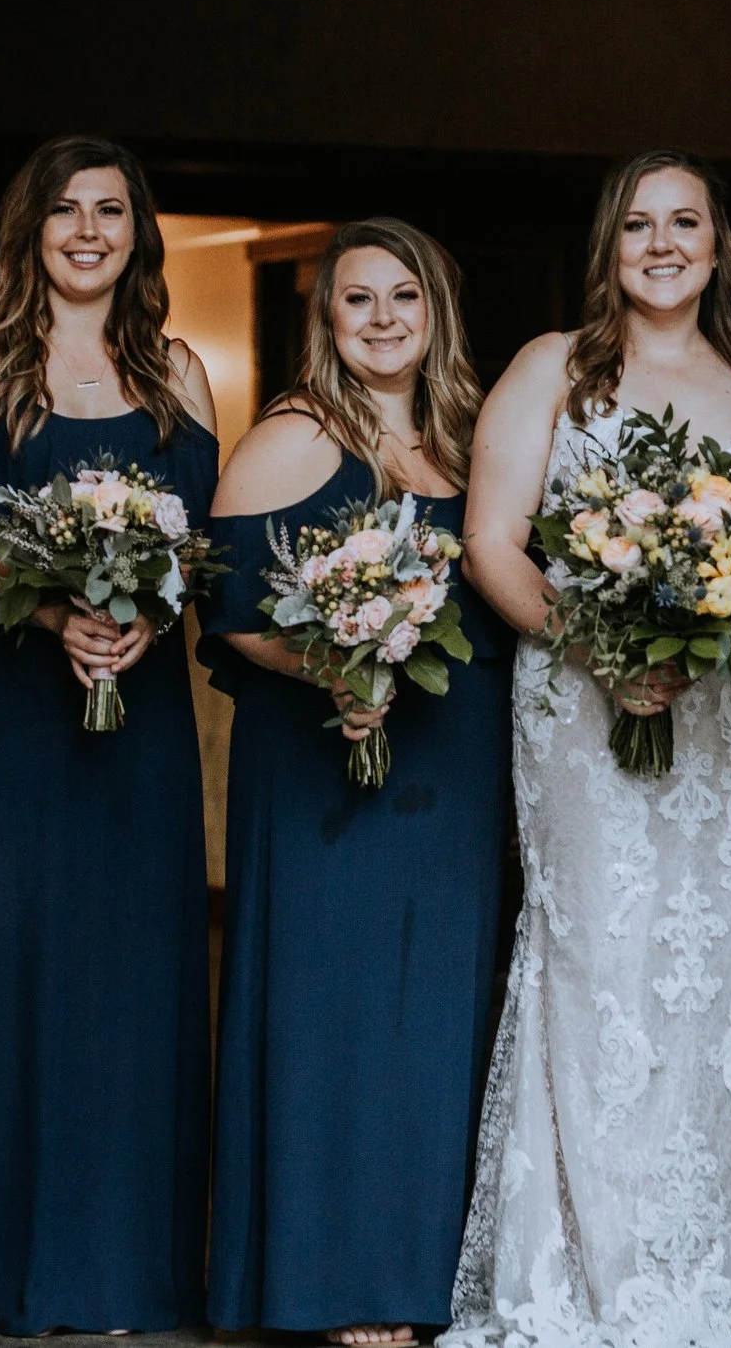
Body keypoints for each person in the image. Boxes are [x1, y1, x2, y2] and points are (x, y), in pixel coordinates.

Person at [443, 149, 731, 1348]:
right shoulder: (551, 370)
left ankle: (714, 1252)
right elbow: (493, 541)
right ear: (609, 245)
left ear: (718, 242)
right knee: (599, 962)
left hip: (729, 725)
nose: (664, 242)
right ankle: (585, 1262)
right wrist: (598, 644)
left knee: (712, 979)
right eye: (639, 224)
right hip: (584, 712)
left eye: (686, 221)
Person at [0, 137, 218, 1334]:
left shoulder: (180, 372)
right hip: (11, 723)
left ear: (139, 231)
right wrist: (54, 606)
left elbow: (199, 549)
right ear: (28, 228)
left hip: (135, 727)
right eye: (63, 210)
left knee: (133, 978)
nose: (87, 230)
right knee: (12, 965)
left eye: (110, 210)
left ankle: (124, 1269)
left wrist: (142, 619)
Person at [197, 220, 511, 1344]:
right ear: (325, 319)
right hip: (330, 771)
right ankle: (338, 1278)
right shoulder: (294, 435)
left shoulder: (473, 440)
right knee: (336, 1012)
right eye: (358, 300)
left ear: (437, 315)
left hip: (454, 768)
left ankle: (417, 1265)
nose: (382, 320)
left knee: (430, 1012)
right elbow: (227, 614)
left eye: (405, 299)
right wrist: (331, 671)